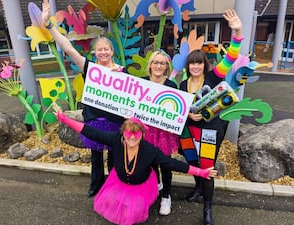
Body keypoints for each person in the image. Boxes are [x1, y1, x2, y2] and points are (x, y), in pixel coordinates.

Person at [52, 103, 218, 225]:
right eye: (128, 133)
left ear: (142, 134)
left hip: (141, 184)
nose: (132, 137)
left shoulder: (150, 150)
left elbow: (173, 163)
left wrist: (201, 172)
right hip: (119, 181)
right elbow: (89, 131)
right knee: (116, 204)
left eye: (136, 133)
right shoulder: (115, 139)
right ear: (123, 133)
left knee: (135, 209)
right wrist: (64, 119)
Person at [42, 0, 125, 198]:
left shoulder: (123, 73)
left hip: (115, 121)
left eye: (107, 49)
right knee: (96, 157)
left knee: (115, 157)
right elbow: (69, 48)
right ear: (95, 53)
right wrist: (50, 26)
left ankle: (114, 186)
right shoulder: (90, 69)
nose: (103, 52)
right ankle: (96, 185)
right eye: (100, 49)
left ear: (112, 51)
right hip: (94, 120)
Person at [179, 9, 243, 225]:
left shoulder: (214, 77)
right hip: (188, 131)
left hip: (209, 131)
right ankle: (197, 189)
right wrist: (188, 114)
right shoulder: (181, 85)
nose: (195, 66)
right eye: (192, 63)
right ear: (188, 67)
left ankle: (207, 209)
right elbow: (178, 109)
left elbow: (232, 56)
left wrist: (237, 32)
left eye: (199, 62)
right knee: (192, 161)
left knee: (207, 167)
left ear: (204, 64)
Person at [142, 49, 179, 216]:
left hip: (164, 132)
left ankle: (166, 196)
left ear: (167, 67)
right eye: (155, 62)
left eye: (162, 63)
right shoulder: (141, 82)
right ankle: (156, 185)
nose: (158, 66)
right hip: (146, 130)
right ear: (150, 65)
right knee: (150, 161)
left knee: (165, 163)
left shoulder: (171, 86)